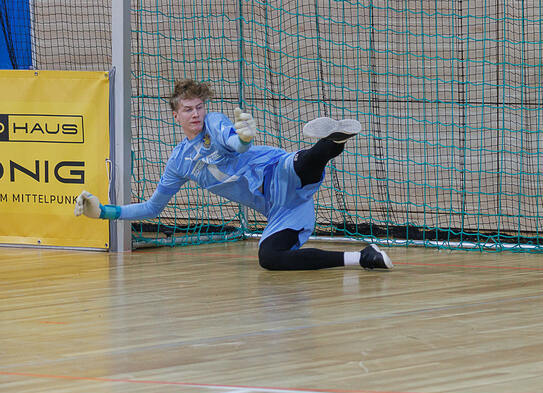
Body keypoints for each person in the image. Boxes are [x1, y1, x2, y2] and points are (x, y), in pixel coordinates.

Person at [74, 79, 392, 272]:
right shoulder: (179, 162)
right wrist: (103, 211)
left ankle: (333, 139)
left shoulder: (213, 122)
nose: (196, 113)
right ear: (176, 115)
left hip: (274, 173)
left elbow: (234, 144)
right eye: (188, 109)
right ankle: (363, 258)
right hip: (283, 210)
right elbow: (152, 208)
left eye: (199, 106)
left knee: (303, 165)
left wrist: (244, 137)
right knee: (270, 258)